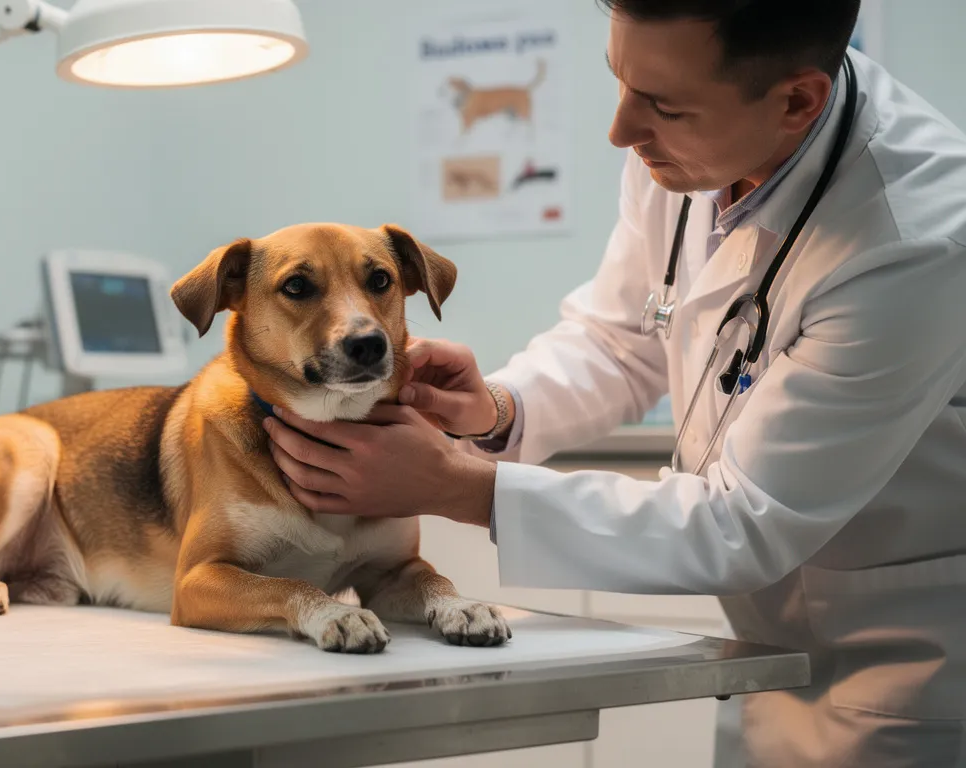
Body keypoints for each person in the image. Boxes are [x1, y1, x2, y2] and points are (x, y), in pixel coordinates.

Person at [261, 1, 966, 765]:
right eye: (620, 81)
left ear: (797, 101)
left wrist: (467, 487)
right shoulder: (689, 148)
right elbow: (623, 335)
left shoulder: (916, 241)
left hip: (901, 668)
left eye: (662, 105)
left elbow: (745, 522)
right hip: (763, 652)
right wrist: (498, 407)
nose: (620, 131)